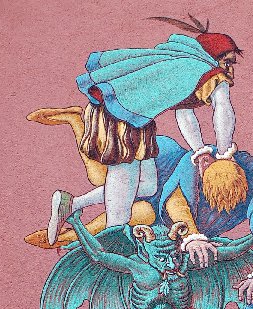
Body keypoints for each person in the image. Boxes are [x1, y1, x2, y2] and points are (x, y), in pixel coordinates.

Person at [47, 23, 242, 244]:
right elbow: (223, 108)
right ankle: (114, 244)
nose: (230, 71)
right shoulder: (208, 72)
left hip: (133, 118)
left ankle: (72, 204)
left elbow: (184, 112)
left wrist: (200, 151)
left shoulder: (188, 65)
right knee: (120, 206)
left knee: (148, 186)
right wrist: (224, 154)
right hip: (120, 116)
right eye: (227, 62)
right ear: (214, 58)